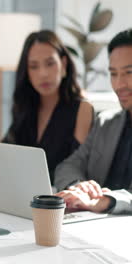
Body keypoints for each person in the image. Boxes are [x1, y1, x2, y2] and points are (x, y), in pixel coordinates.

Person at [55, 29, 132, 215]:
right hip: (92, 226)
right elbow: (67, 167)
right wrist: (81, 188)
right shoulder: (105, 122)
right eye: (113, 74)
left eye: (129, 73)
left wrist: (108, 202)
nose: (119, 85)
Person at [2, 30, 94, 184]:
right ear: (27, 72)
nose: (43, 73)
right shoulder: (26, 107)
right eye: (34, 66)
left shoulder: (82, 109)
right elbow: (2, 152)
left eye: (50, 63)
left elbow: (77, 168)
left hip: (60, 201)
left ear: (63, 64)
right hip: (22, 196)